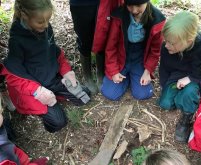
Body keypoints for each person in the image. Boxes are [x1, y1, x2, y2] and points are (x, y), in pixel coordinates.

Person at [0, 0, 90, 133]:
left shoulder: (45, 27)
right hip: (34, 88)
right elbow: (13, 75)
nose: (46, 25)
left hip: (51, 79)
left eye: (48, 20)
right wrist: (37, 91)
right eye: (41, 22)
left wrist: (66, 72)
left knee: (84, 95)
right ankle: (42, 106)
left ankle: (55, 94)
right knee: (58, 122)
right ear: (25, 15)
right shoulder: (17, 40)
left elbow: (55, 52)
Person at [158, 11, 201, 142]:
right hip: (176, 77)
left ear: (189, 41)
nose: (166, 45)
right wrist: (165, 86)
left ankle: (186, 118)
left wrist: (192, 79)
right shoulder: (167, 47)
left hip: (195, 78)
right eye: (166, 40)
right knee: (165, 103)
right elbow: (163, 68)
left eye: (172, 43)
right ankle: (182, 99)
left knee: (188, 94)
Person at [101, 0, 165, 101]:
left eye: (139, 5)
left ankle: (134, 74)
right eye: (130, 5)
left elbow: (155, 51)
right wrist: (113, 71)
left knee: (142, 94)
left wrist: (147, 71)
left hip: (140, 58)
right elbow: (111, 47)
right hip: (121, 56)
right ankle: (127, 76)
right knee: (110, 93)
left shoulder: (157, 19)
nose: (134, 10)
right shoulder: (118, 15)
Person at [69, 0, 124, 94]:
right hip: (80, 4)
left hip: (103, 2)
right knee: (84, 38)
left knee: (102, 35)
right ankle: (87, 76)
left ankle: (100, 73)